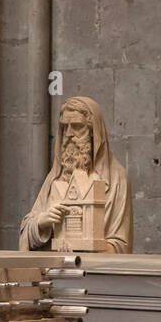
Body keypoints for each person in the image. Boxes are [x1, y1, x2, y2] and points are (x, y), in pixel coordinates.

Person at [20, 95, 132, 253]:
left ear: (94, 132)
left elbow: (121, 245)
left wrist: (83, 247)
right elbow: (26, 230)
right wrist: (41, 222)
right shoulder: (55, 177)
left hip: (92, 274)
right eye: (65, 127)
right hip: (53, 270)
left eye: (77, 126)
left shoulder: (115, 178)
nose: (69, 135)